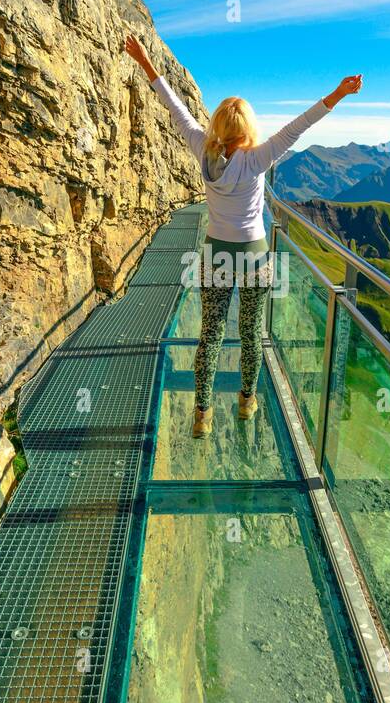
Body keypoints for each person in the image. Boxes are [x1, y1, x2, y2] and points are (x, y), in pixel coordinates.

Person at [124, 33, 362, 437]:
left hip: (216, 253)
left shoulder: (203, 150)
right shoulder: (258, 158)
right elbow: (298, 126)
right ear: (248, 127)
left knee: (211, 332)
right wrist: (337, 93)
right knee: (251, 332)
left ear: (218, 125)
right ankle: (246, 402)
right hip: (254, 256)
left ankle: (202, 413)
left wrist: (146, 62)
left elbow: (176, 108)